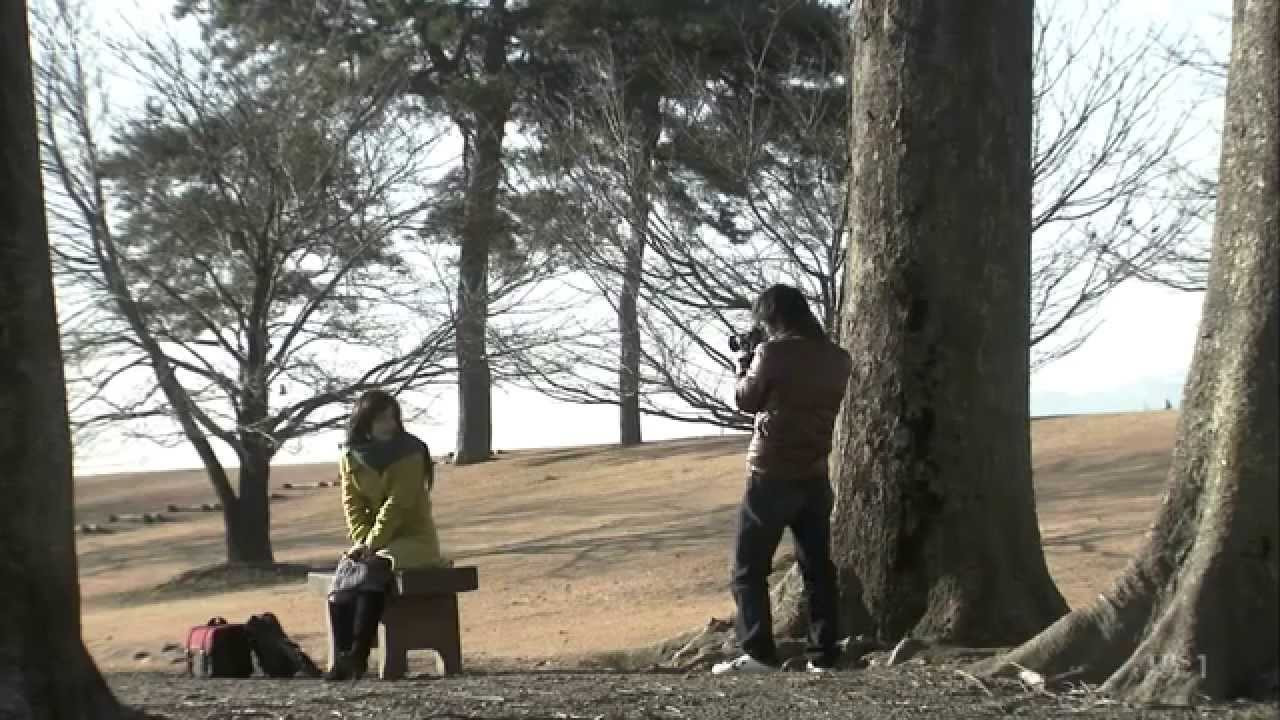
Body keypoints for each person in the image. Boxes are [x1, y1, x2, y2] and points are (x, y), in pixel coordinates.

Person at [712, 284, 852, 675]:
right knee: (817, 568)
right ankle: (824, 654)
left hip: (771, 472)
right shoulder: (838, 358)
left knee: (749, 568)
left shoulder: (772, 354)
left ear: (773, 318)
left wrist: (744, 363)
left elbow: (746, 400)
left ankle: (759, 652)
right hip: (815, 472)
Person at [326, 390, 448, 681]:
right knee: (347, 572)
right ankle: (343, 657)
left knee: (374, 567)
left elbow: (398, 505)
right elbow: (352, 504)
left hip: (413, 541)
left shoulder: (410, 452)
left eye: (392, 418)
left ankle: (358, 656)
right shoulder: (350, 455)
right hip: (373, 542)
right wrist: (361, 542)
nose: (389, 424)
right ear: (364, 421)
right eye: (381, 419)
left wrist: (371, 545)